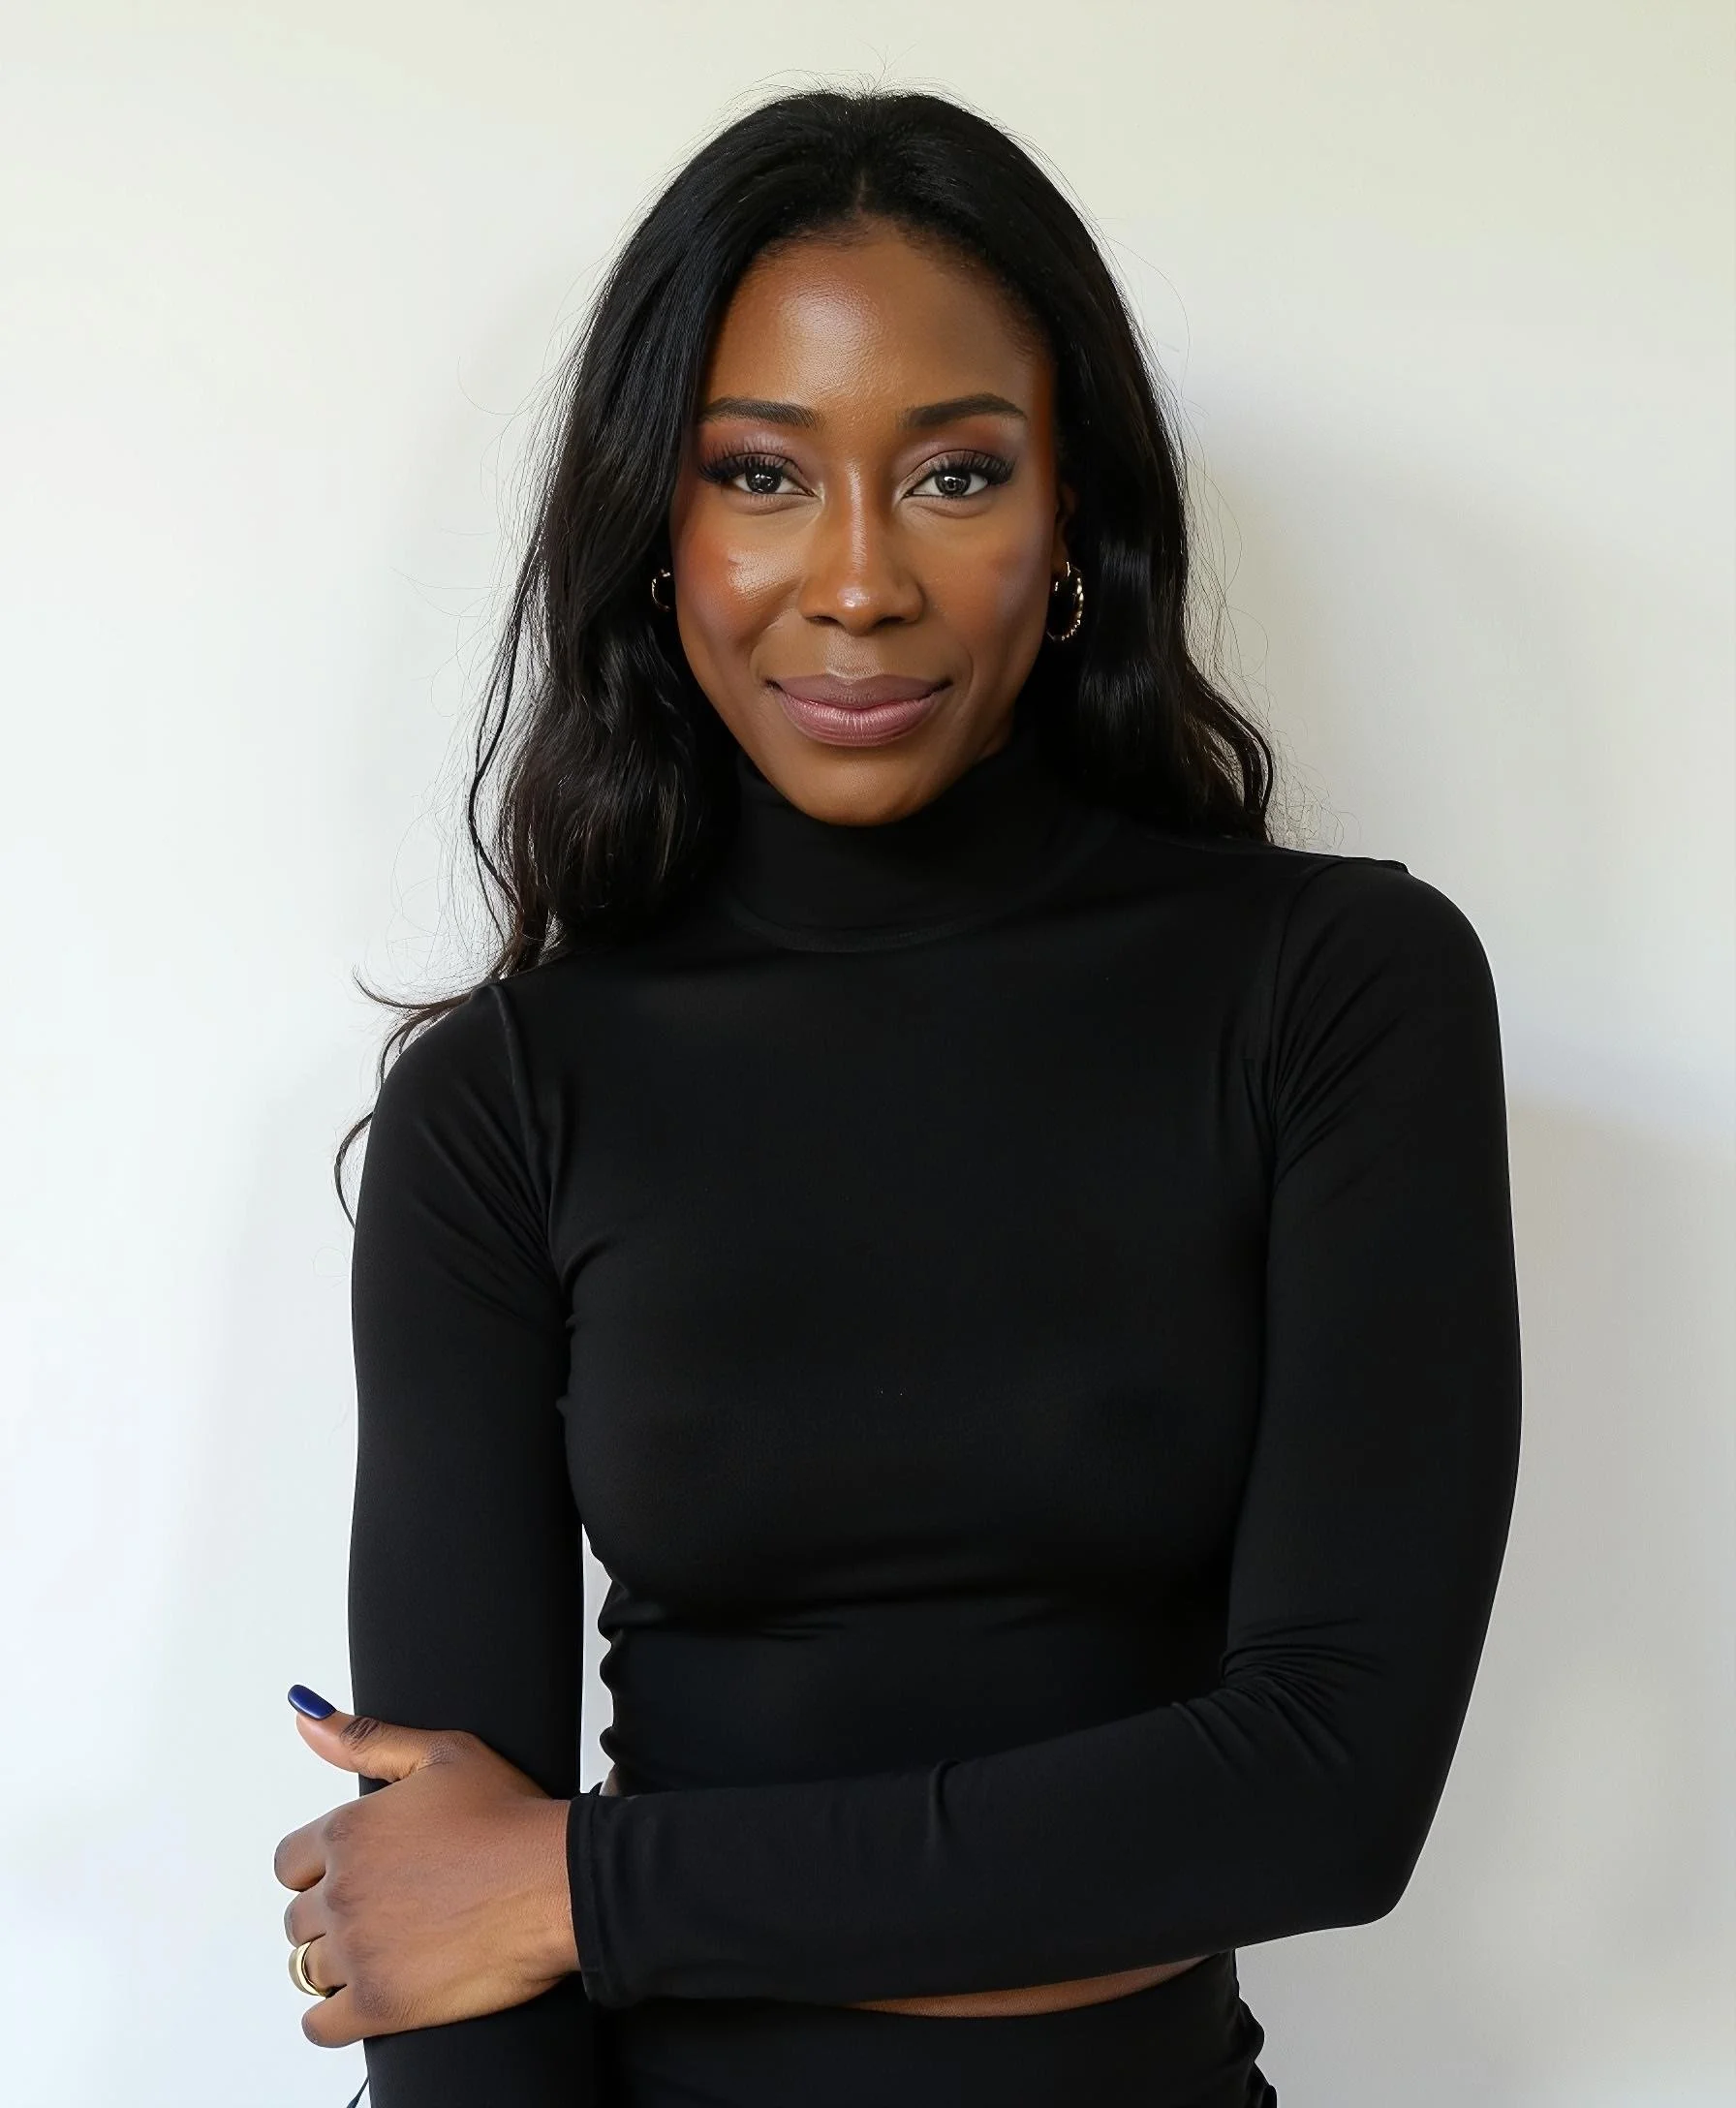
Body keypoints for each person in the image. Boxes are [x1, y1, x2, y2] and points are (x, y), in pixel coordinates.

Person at [270, 84, 1522, 2108]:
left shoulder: (1326, 992)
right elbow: (434, 1912)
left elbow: (1320, 1790)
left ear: (1072, 525)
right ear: (651, 534)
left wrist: (584, 1883)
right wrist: (510, 1901)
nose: (851, 582)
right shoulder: (503, 1101)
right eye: (757, 476)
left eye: (950, 476)